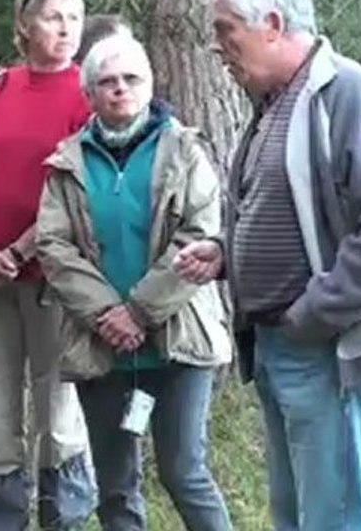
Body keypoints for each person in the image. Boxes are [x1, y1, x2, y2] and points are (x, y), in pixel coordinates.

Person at [174, 0, 361, 531]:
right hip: (277, 345)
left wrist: (317, 311)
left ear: (271, 23)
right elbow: (288, 211)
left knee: (331, 518)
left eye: (226, 30)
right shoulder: (275, 103)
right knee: (294, 516)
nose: (216, 47)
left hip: (325, 349)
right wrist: (226, 251)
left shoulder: (347, 94)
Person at [37, 29, 233, 530]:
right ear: (89, 94)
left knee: (184, 472)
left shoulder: (186, 150)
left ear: (149, 84)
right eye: (107, 81)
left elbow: (199, 233)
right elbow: (53, 245)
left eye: (131, 78)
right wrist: (107, 314)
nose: (120, 88)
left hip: (179, 337)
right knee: (115, 484)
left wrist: (138, 312)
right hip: (99, 343)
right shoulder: (66, 163)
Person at [0, 0, 96, 530]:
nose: (66, 29)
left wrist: (17, 250)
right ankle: (2, 517)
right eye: (53, 17)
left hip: (55, 276)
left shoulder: (88, 92)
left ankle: (63, 517)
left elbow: (79, 187)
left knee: (58, 410)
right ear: (24, 25)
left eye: (74, 18)